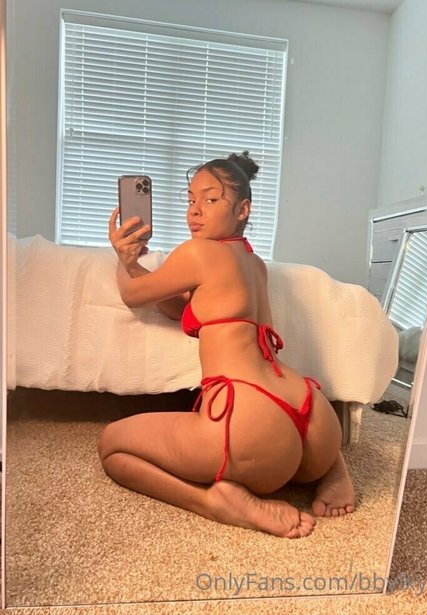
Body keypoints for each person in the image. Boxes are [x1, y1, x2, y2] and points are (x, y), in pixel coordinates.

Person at [98, 151, 355, 538]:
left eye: (211, 199)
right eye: (190, 199)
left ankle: (213, 502)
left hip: (251, 424)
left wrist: (121, 259)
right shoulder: (255, 264)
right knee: (302, 440)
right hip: (312, 415)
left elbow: (133, 295)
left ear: (242, 209)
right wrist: (137, 265)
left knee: (112, 446)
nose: (194, 210)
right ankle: (332, 469)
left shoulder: (198, 252)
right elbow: (179, 308)